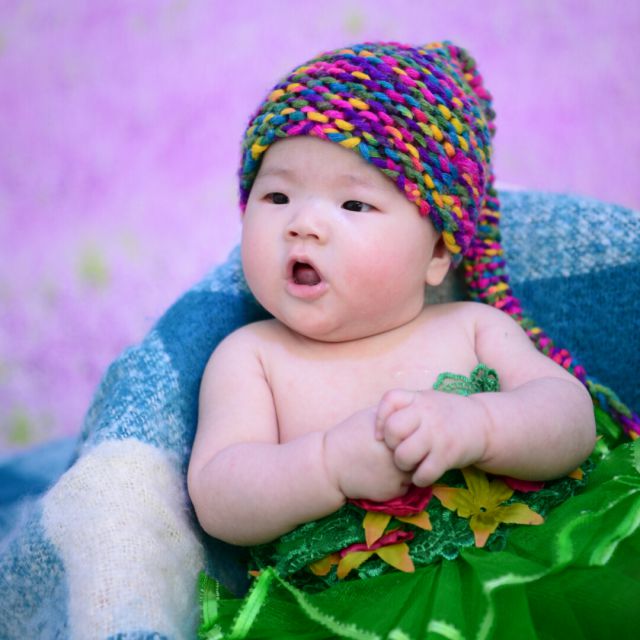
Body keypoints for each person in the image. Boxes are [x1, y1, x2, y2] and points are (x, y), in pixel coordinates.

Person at [188, 41, 640, 639]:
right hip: (352, 613)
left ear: (436, 254)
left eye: (354, 203)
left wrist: (480, 426)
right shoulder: (252, 357)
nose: (302, 224)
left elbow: (571, 419)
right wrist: (325, 465)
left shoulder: (473, 326)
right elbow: (219, 496)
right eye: (277, 196)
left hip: (532, 570)